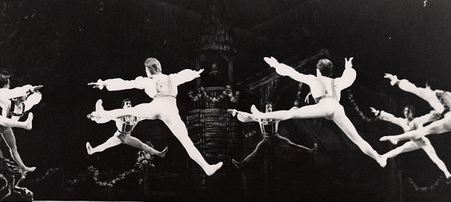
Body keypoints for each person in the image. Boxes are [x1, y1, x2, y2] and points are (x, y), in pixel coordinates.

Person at [87, 58, 223, 176]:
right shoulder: (172, 78)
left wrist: (103, 83)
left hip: (156, 106)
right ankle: (207, 167)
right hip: (170, 109)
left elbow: (125, 83)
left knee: (130, 111)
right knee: (186, 141)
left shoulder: (147, 81)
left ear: (147, 71)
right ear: (160, 68)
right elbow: (185, 74)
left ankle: (101, 114)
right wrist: (195, 73)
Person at [250, 57, 386, 167]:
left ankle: (260, 115)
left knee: (291, 113)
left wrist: (276, 64)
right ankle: (378, 158)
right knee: (357, 139)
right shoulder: (337, 82)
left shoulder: (312, 79)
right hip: (337, 109)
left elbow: (292, 73)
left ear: (318, 70)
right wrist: (348, 67)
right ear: (330, 72)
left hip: (324, 106)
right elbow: (350, 77)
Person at [380, 74, 451, 145]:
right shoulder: (446, 93)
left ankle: (397, 138)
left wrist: (396, 81)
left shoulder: (428, 92)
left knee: (423, 131)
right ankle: (397, 139)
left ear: (427, 85)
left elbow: (412, 88)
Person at [0, 73, 42, 173]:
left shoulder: (25, 105)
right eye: (8, 83)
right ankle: (24, 125)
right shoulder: (6, 100)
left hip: (5, 126)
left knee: (13, 148)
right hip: (1, 125)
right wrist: (31, 89)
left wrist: (35, 93)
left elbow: (34, 99)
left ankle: (23, 167)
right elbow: (16, 91)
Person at [371, 105, 451, 178]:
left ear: (412, 113)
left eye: (408, 111)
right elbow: (392, 118)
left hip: (423, 142)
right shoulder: (402, 121)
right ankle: (383, 156)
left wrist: (443, 111)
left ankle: (447, 173)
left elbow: (429, 116)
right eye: (405, 111)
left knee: (435, 158)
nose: (406, 113)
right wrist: (378, 113)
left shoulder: (418, 120)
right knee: (399, 149)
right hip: (413, 143)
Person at [228, 103, 313, 168]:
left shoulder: (275, 117)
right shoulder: (259, 117)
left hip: (276, 137)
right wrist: (236, 112)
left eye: (270, 108)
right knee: (255, 153)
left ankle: (310, 151)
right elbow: (248, 115)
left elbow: (286, 114)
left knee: (292, 145)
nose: (269, 109)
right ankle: (241, 164)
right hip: (266, 138)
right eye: (267, 108)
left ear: (271, 109)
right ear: (265, 109)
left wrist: (293, 110)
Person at [86, 98, 168, 157]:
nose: (129, 104)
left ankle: (160, 154)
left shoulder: (136, 116)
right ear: (123, 107)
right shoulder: (119, 115)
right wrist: (95, 115)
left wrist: (158, 113)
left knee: (143, 146)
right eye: (127, 104)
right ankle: (92, 151)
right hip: (118, 137)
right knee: (105, 145)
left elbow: (147, 115)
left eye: (130, 103)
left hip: (128, 138)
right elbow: (108, 116)